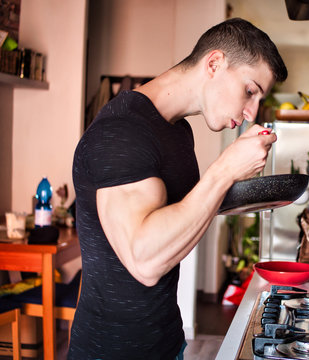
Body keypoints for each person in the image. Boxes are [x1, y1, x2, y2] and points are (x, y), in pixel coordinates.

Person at [68, 18, 287, 359]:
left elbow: (181, 216)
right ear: (214, 63)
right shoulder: (121, 131)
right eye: (249, 91)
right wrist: (225, 169)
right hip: (113, 349)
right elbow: (145, 261)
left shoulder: (177, 130)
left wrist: (248, 189)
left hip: (167, 340)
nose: (250, 112)